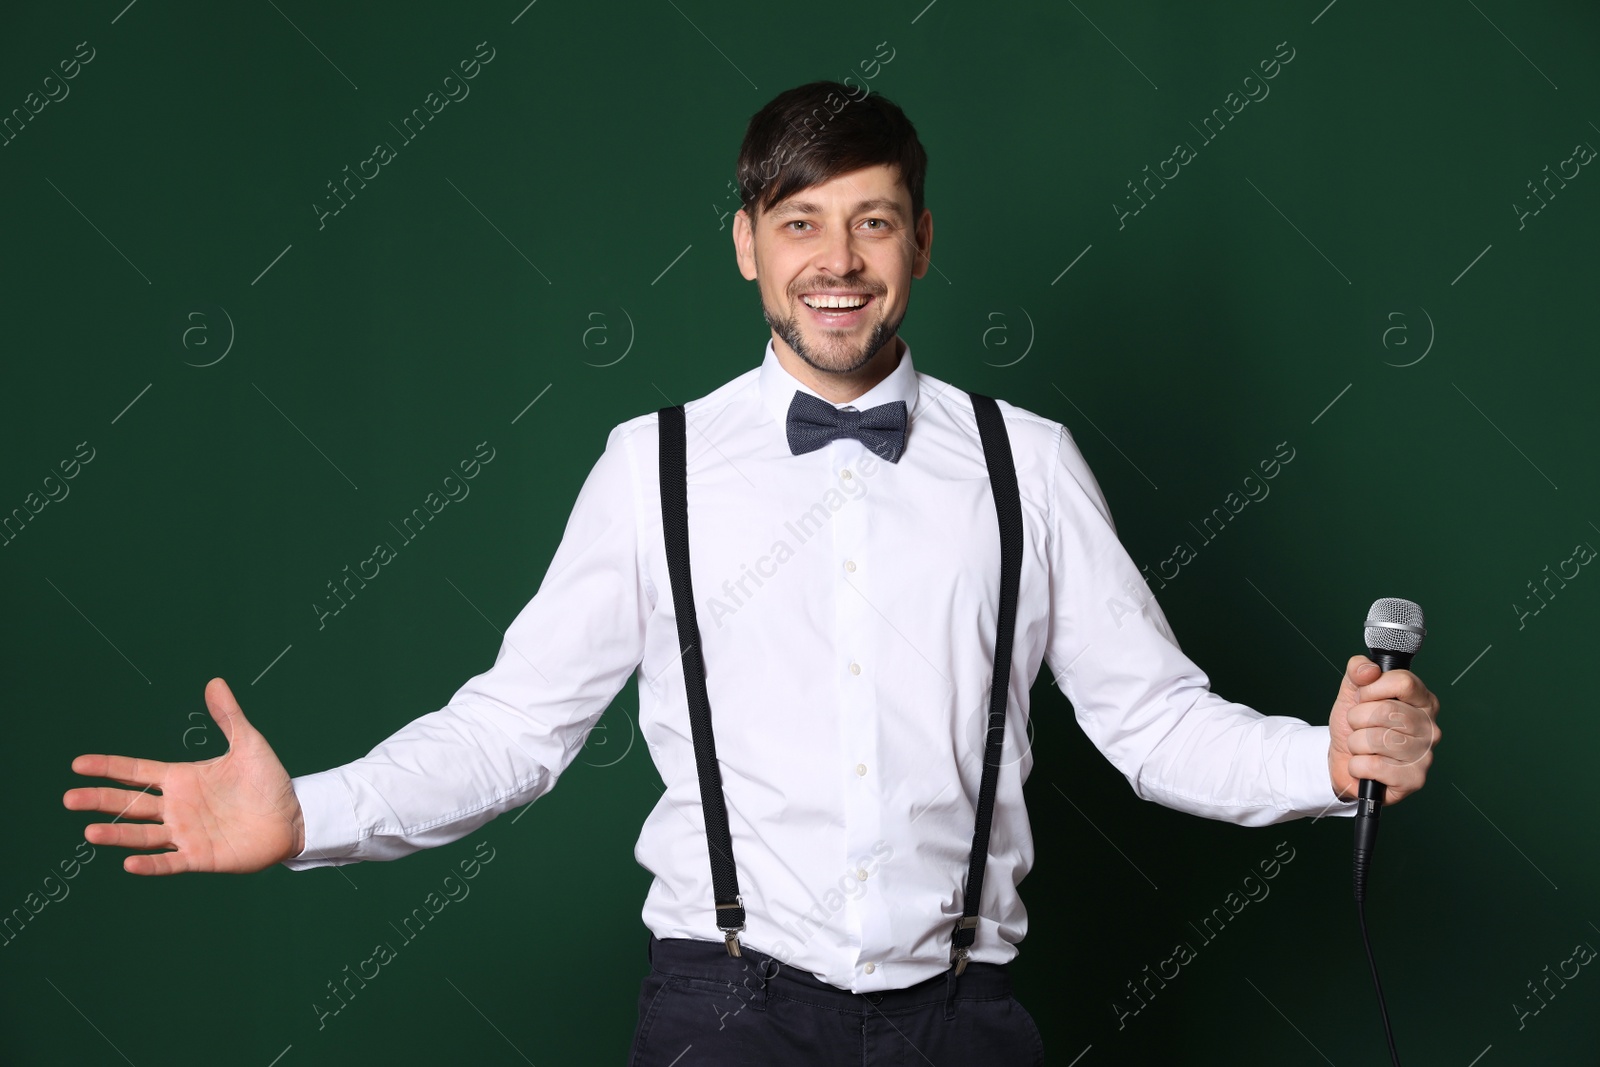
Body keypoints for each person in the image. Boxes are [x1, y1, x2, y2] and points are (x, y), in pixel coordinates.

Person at [62, 81, 1442, 1066]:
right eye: (799, 222)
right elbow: (511, 734)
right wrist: (306, 813)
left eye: (873, 221)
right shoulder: (651, 467)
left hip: (969, 1018)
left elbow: (1151, 723)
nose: (836, 261)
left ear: (920, 241)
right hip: (718, 1019)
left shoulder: (1029, 463)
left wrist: (1321, 761)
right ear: (745, 244)